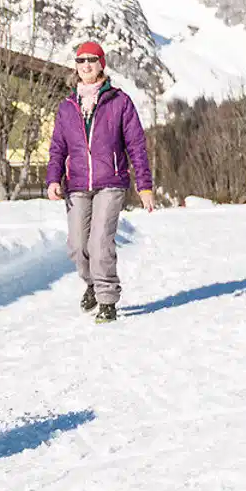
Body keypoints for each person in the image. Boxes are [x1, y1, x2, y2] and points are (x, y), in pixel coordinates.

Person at [45, 41, 155, 323]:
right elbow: (58, 147)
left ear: (101, 64)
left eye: (91, 60)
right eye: (80, 61)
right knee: (77, 245)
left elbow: (136, 145)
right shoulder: (67, 106)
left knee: (100, 243)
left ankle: (107, 299)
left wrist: (144, 186)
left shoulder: (120, 101)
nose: (86, 65)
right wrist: (53, 178)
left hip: (111, 182)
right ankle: (92, 283)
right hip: (77, 183)